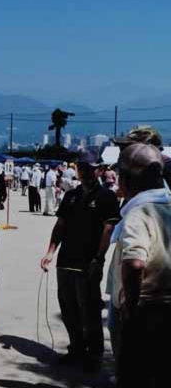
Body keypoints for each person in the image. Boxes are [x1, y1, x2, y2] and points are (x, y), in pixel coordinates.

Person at [106, 144, 171, 388]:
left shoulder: (140, 213)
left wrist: (130, 305)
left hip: (146, 313)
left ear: (128, 179)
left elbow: (134, 263)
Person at [40, 148, 120, 373]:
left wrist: (99, 259)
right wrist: (50, 251)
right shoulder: (71, 195)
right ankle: (76, 347)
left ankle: (94, 356)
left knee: (90, 310)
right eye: (80, 167)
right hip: (65, 262)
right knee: (68, 308)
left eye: (88, 168)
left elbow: (108, 228)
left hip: (88, 263)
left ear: (99, 170)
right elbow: (60, 226)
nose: (83, 172)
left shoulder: (107, 196)